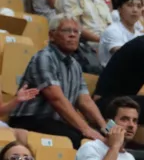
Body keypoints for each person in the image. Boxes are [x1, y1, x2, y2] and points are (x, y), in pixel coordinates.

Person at [7, 17, 106, 148]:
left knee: (100, 141)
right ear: (52, 36)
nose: (72, 35)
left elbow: (85, 101)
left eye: (76, 32)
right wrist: (86, 129)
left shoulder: (75, 65)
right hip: (29, 119)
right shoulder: (44, 57)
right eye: (66, 31)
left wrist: (105, 128)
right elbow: (56, 99)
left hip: (55, 122)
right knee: (77, 140)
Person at [59, 0, 111, 70]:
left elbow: (110, 26)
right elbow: (74, 27)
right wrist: (102, 42)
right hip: (85, 49)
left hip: (106, 48)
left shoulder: (99, 0)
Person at [98, 0, 144, 67]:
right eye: (130, 5)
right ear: (119, 9)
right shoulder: (112, 30)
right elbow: (123, 55)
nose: (135, 10)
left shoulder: (140, 35)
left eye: (139, 6)